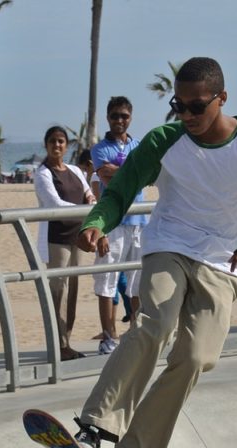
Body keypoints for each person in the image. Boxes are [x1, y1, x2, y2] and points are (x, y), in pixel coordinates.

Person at [73, 57, 237, 448]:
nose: (188, 117)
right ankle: (99, 420)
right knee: (153, 323)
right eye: (180, 106)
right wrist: (98, 222)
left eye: (197, 107)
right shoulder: (164, 139)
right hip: (170, 243)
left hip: (225, 259)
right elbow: (121, 189)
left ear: (221, 99)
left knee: (195, 357)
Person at [90, 96, 149, 354]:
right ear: (108, 118)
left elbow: (147, 173)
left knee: (137, 281)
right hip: (112, 222)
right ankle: (108, 336)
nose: (119, 121)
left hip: (139, 221)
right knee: (107, 281)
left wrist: (125, 169)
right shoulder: (100, 148)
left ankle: (135, 333)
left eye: (124, 116)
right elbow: (105, 174)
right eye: (115, 116)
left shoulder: (138, 144)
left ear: (131, 117)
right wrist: (133, 170)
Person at [33, 126, 95, 361]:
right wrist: (89, 209)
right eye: (52, 141)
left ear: (66, 145)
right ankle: (59, 344)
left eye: (61, 141)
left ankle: (66, 340)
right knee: (59, 291)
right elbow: (54, 205)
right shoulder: (43, 174)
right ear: (46, 144)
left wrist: (90, 200)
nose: (57, 145)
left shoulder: (74, 171)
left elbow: (88, 191)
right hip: (56, 240)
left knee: (73, 291)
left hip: (77, 238)